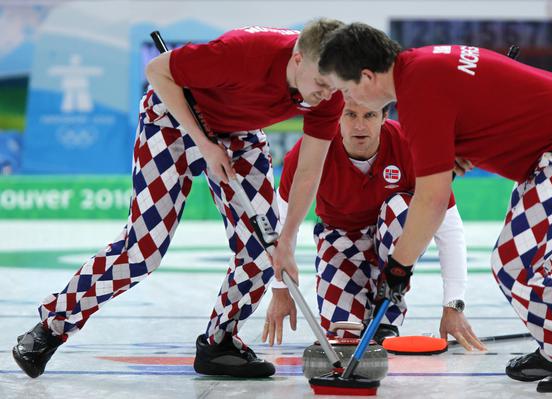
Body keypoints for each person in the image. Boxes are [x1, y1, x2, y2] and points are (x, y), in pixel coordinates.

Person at [12, 19, 345, 379]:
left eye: (333, 86)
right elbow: (157, 70)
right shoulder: (243, 53)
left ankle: (220, 342)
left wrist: (288, 241)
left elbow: (309, 170)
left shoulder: (332, 93)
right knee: (143, 251)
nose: (326, 94)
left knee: (264, 249)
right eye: (321, 84)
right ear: (298, 59)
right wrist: (204, 145)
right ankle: (49, 328)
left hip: (240, 132)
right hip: (169, 121)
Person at [317, 23, 552, 393]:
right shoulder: (420, 67)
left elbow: (432, 201)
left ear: (366, 77)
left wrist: (399, 267)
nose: (349, 99)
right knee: (540, 258)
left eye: (348, 90)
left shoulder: (418, 96)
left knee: (517, 263)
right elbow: (478, 106)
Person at [261, 99, 485, 351]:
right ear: (337, 115)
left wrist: (453, 305)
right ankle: (358, 305)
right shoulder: (310, 150)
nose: (359, 126)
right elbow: (279, 222)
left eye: (369, 115)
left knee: (404, 208)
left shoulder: (409, 146)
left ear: (385, 116)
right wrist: (280, 290)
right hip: (339, 240)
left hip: (393, 241)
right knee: (343, 337)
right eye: (350, 114)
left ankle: (388, 308)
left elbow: (449, 227)